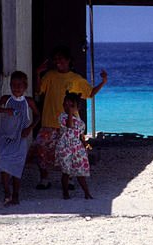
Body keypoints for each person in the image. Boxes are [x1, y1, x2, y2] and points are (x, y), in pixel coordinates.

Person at [34, 45, 107, 189]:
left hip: (69, 124)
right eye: (55, 59)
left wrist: (103, 82)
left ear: (68, 60)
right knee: (40, 148)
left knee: (70, 151)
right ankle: (44, 178)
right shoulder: (49, 75)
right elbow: (38, 90)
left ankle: (70, 179)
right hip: (49, 121)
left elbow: (90, 93)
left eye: (60, 58)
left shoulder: (76, 79)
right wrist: (37, 73)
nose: (57, 62)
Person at [0, 71, 39, 205]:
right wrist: (6, 110)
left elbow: (38, 116)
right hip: (5, 139)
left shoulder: (28, 102)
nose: (16, 88)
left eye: (19, 85)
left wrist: (29, 128)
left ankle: (16, 194)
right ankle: (7, 192)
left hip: (20, 140)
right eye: (13, 85)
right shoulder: (6, 99)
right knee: (4, 165)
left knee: (17, 167)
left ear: (25, 86)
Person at [56, 92, 93, 200]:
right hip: (66, 147)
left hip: (77, 148)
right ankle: (65, 193)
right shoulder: (62, 117)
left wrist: (85, 144)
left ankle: (87, 193)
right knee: (66, 172)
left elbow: (80, 134)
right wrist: (71, 114)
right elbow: (69, 126)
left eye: (71, 106)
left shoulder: (80, 121)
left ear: (78, 107)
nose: (68, 108)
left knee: (80, 171)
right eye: (66, 105)